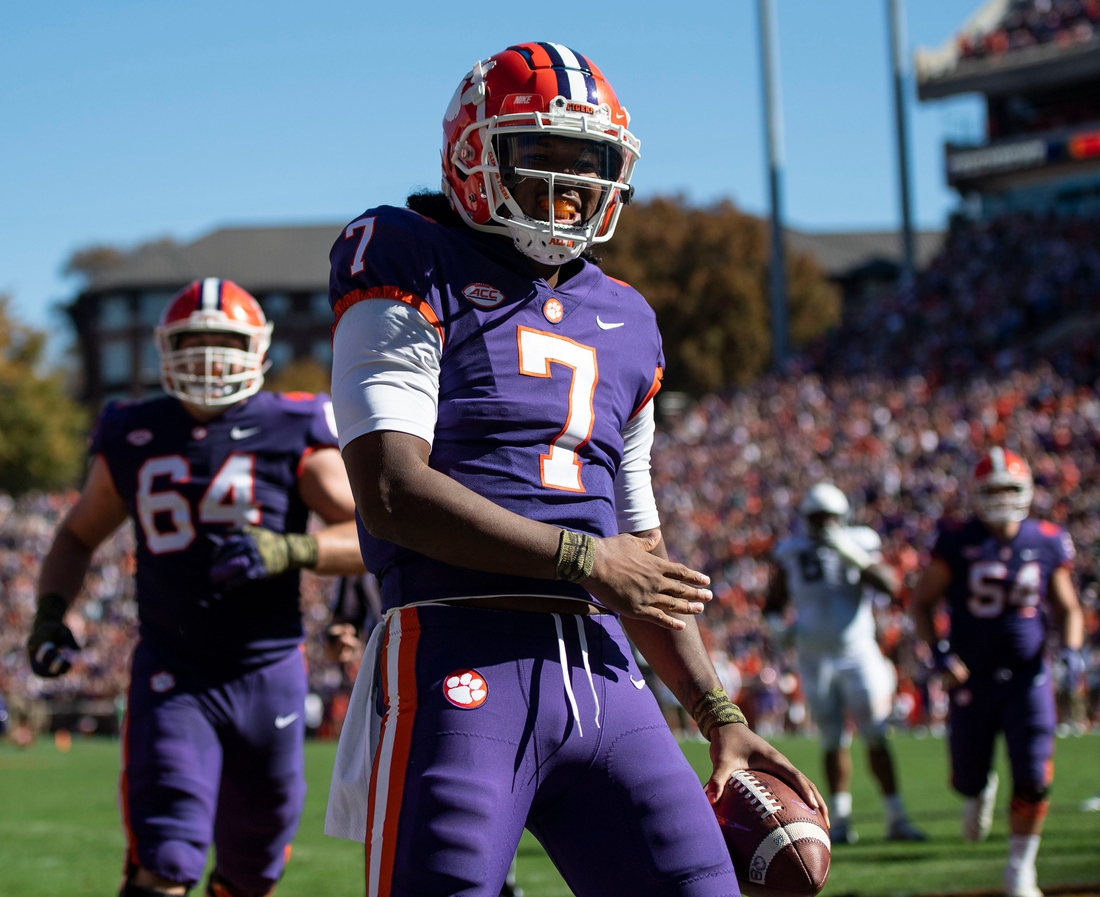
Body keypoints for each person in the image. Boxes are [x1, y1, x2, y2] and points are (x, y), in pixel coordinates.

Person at [324, 42, 827, 897]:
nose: (569, 186)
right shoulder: (405, 252)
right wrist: (587, 559)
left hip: (605, 671)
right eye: (542, 155)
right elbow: (388, 491)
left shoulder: (626, 316)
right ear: (474, 156)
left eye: (588, 164)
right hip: (458, 652)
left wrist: (719, 714)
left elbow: (643, 547)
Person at [27, 279, 365, 897]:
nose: (210, 357)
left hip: (268, 673)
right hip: (172, 673)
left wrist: (295, 547)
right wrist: (50, 612)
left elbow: (365, 533)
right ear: (165, 351)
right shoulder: (135, 430)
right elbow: (77, 534)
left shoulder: (291, 423)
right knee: (166, 857)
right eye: (195, 342)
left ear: (258, 349)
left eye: (225, 341)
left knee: (253, 868)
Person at [911, 448, 1084, 897]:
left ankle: (1020, 869)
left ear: (1026, 491)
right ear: (977, 494)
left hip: (1030, 675)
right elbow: (922, 603)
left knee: (1033, 772)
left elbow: (1068, 608)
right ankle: (978, 789)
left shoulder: (1047, 538)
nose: (1003, 497)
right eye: (994, 489)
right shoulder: (955, 538)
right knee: (967, 775)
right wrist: (942, 653)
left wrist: (1071, 652)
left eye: (1010, 488)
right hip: (972, 677)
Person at [766, 482, 925, 845]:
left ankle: (896, 817)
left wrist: (848, 552)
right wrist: (779, 628)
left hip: (857, 653)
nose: (823, 525)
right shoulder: (792, 550)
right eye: (816, 518)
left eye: (829, 518)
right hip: (814, 656)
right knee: (831, 739)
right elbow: (773, 603)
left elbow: (889, 585)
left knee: (875, 734)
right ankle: (839, 820)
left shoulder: (860, 541)